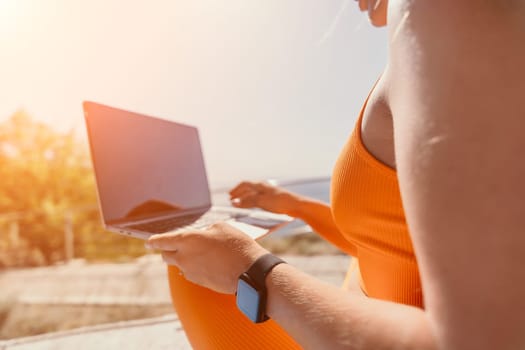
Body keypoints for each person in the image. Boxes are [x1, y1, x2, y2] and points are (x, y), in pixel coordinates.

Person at [147, 1, 525, 349]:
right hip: (352, 320)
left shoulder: (445, 15)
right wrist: (295, 206)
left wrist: (253, 271)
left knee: (188, 263)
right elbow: (388, 239)